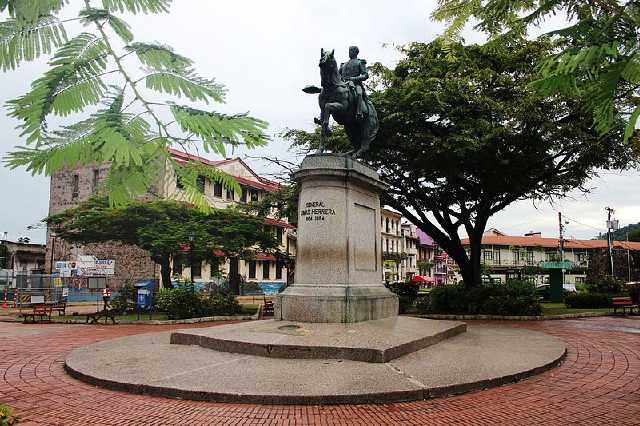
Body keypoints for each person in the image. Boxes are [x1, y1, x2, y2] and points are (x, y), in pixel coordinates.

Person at [339, 46, 369, 119]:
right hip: (342, 84)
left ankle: (359, 112)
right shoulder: (343, 64)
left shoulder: (360, 62)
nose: (349, 52)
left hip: (355, 84)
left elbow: (365, 75)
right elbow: (337, 74)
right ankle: (322, 117)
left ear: (356, 52)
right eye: (349, 50)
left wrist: (354, 78)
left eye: (351, 50)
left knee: (359, 93)